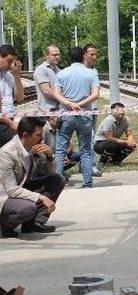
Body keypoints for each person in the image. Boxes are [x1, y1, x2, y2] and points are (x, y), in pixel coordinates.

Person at [0, 118, 65, 238]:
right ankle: (4, 226)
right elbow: (11, 190)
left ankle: (35, 222)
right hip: (5, 196)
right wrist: (41, 197)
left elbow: (50, 173)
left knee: (57, 180)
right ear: (25, 135)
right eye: (38, 135)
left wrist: (50, 156)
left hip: (21, 187)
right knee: (29, 208)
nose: (42, 139)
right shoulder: (7, 153)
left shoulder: (34, 146)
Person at [53, 46, 100, 188]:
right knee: (85, 150)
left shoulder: (62, 74)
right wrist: (80, 104)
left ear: (69, 58)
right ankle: (87, 183)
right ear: (83, 57)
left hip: (66, 115)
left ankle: (57, 184)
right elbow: (95, 94)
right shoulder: (91, 74)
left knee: (60, 151)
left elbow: (56, 93)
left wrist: (69, 103)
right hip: (85, 115)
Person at [37, 115, 80, 180]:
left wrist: (64, 157)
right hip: (47, 157)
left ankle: (59, 172)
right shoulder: (44, 129)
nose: (61, 119)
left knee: (75, 156)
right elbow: (40, 149)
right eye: (58, 117)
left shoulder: (60, 128)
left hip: (57, 155)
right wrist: (56, 158)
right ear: (50, 119)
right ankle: (53, 174)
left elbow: (70, 146)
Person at [82, 44, 102, 177]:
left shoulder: (94, 71)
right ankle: (90, 166)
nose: (95, 57)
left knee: (90, 138)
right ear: (84, 55)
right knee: (87, 138)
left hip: (93, 109)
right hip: (82, 110)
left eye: (96, 54)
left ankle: (86, 164)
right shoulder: (80, 70)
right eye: (92, 54)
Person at [0, 45, 24, 148]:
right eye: (9, 61)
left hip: (10, 118)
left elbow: (20, 98)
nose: (11, 65)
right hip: (3, 121)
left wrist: (17, 75)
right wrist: (10, 123)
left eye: (13, 62)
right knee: (20, 143)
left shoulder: (9, 75)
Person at [33, 45, 61, 113]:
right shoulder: (41, 69)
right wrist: (64, 99)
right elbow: (46, 91)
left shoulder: (59, 70)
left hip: (59, 109)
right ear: (46, 55)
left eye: (59, 55)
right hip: (47, 111)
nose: (57, 57)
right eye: (54, 55)